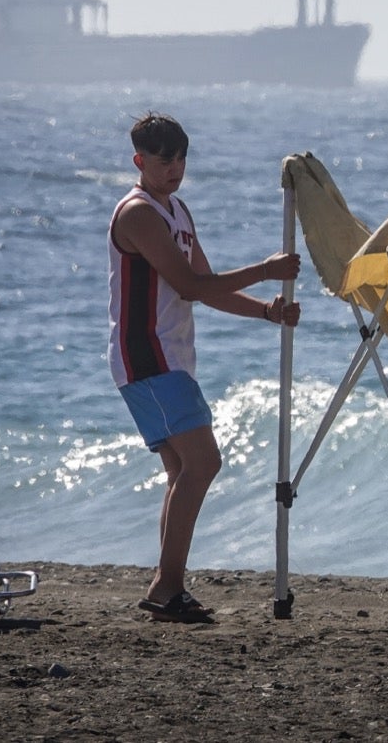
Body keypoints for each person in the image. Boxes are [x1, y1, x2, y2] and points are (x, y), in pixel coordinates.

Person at [109, 112, 301, 623]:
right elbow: (190, 288)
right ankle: (165, 586)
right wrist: (266, 270)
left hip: (172, 357)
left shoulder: (178, 211)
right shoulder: (138, 214)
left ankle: (166, 588)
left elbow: (206, 283)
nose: (174, 168)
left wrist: (266, 310)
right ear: (140, 161)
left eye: (180, 159)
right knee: (203, 463)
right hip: (147, 356)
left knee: (182, 469)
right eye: (163, 159)